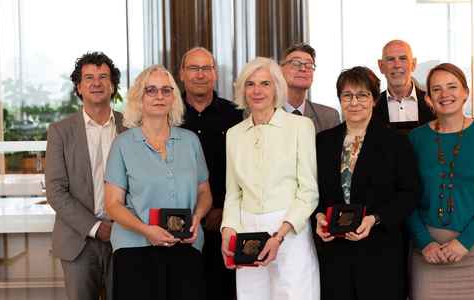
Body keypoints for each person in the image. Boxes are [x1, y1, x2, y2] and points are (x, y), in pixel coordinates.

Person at [103, 64, 212, 299]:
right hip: (135, 248)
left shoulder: (190, 141)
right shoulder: (122, 144)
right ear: (138, 98)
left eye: (166, 90)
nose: (159, 96)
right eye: (151, 90)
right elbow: (112, 204)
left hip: (186, 245)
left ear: (174, 97)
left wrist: (197, 217)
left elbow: (204, 192)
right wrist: (146, 231)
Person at [314, 66, 419, 300]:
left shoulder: (396, 142)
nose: (354, 102)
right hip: (334, 254)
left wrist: (375, 219)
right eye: (347, 95)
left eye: (362, 95)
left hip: (380, 251)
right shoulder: (323, 142)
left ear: (373, 99)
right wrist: (319, 216)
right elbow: (313, 191)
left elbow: (410, 193)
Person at [407, 63, 474, 299]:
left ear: (466, 92)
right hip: (428, 253)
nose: (445, 94)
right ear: (429, 98)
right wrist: (424, 243)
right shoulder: (416, 138)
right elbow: (406, 195)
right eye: (437, 89)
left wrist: (464, 242)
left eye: (452, 86)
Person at [220, 57, 320, 300]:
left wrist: (279, 235)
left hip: (289, 230)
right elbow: (233, 193)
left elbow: (308, 192)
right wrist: (228, 231)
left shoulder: (300, 126)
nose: (257, 90)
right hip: (246, 233)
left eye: (265, 83)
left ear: (277, 88)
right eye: (250, 84)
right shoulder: (233, 134)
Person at [45, 51, 125, 300]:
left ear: (113, 85)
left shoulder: (131, 127)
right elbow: (56, 191)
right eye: (89, 77)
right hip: (78, 241)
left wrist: (123, 226)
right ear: (78, 87)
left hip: (125, 236)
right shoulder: (60, 131)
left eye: (103, 77)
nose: (96, 83)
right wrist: (95, 227)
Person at [178, 46, 242, 300]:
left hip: (224, 223)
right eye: (194, 68)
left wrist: (223, 209)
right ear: (182, 74)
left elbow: (243, 169)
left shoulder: (235, 115)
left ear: (215, 74)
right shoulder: (169, 115)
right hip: (179, 226)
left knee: (222, 291)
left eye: (206, 68)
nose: (200, 74)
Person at [373, 39, 434, 133]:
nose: (397, 65)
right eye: (390, 59)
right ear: (381, 66)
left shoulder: (434, 103)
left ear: (413, 64)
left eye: (403, 58)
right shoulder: (371, 107)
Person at [280, 43, 340, 133]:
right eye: (296, 63)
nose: (303, 69)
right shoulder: (266, 114)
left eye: (309, 64)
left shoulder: (329, 117)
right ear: (280, 70)